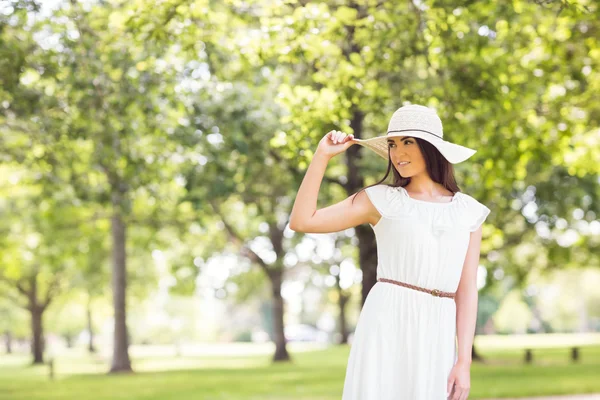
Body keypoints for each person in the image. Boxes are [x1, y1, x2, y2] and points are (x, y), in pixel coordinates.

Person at [289, 104, 491, 400]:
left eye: (408, 142)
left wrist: (464, 361)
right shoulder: (382, 200)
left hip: (438, 327)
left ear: (430, 148)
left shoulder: (469, 212)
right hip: (387, 319)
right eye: (393, 144)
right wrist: (322, 157)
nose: (398, 153)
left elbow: (467, 289)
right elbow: (303, 220)